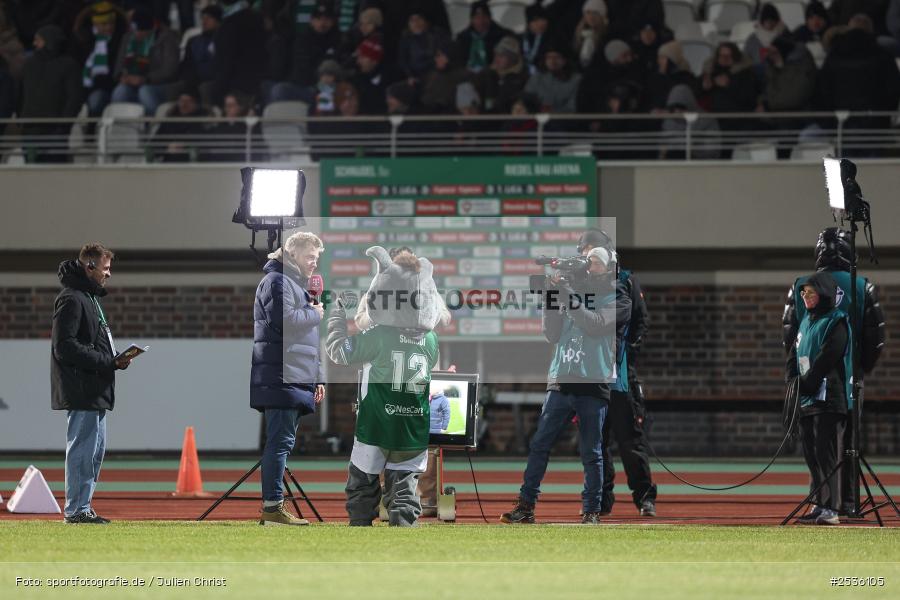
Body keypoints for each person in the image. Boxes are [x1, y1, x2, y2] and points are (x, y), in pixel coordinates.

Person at [501, 244, 630, 524]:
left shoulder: (618, 298)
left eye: (596, 262)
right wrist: (552, 295)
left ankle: (592, 510)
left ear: (610, 268)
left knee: (591, 451)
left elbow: (595, 323)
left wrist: (568, 294)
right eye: (588, 261)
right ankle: (526, 505)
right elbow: (551, 333)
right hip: (562, 378)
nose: (589, 266)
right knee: (540, 444)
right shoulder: (572, 291)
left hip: (593, 382)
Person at [326, 246, 450, 527]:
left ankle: (360, 535)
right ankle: (403, 536)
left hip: (377, 423)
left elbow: (339, 351)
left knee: (362, 485)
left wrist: (337, 315)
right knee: (405, 490)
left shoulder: (380, 334)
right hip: (413, 426)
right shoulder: (431, 340)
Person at [783, 227, 885, 516]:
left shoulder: (800, 285)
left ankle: (824, 501)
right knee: (846, 443)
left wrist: (799, 376)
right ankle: (846, 502)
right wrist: (859, 369)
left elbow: (789, 337)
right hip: (849, 378)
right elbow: (875, 338)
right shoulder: (861, 286)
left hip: (812, 381)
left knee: (818, 446)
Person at [576, 230, 657, 517]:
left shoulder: (626, 280)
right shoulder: (579, 281)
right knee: (595, 442)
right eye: (583, 250)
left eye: (592, 249)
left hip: (620, 379)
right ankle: (600, 500)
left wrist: (624, 356)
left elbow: (640, 322)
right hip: (590, 378)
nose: (586, 255)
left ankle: (644, 497)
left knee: (630, 440)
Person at [52, 243, 132, 524]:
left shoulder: (88, 297)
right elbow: (64, 347)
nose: (108, 274)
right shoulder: (72, 299)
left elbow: (88, 342)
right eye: (105, 269)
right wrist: (107, 361)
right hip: (82, 387)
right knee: (83, 451)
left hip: (94, 387)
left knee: (94, 453)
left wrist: (114, 359)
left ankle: (82, 507)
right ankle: (76, 511)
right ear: (89, 267)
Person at [251, 231, 326, 526]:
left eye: (316, 258)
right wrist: (316, 314)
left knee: (282, 441)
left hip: (293, 374)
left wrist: (317, 378)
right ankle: (272, 507)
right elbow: (285, 322)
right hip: (282, 374)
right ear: (293, 254)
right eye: (310, 257)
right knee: (280, 442)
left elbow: (307, 338)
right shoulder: (277, 282)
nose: (314, 263)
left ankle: (273, 505)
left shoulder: (291, 283)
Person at [786, 273, 851, 525]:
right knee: (811, 454)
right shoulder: (805, 321)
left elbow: (828, 356)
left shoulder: (837, 321)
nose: (805, 296)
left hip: (828, 399)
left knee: (826, 454)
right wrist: (792, 380)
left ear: (823, 294)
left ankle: (832, 509)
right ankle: (819, 503)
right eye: (803, 293)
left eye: (810, 292)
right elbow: (794, 353)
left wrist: (808, 382)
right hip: (807, 399)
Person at [19, 24, 82, 163]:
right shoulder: (28, 65)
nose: (34, 44)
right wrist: (21, 121)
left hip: (55, 131)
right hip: (30, 130)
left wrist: (64, 125)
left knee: (55, 172)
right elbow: (20, 95)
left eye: (38, 40)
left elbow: (74, 98)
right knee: (31, 172)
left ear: (49, 41)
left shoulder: (69, 66)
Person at [110, 8, 179, 115]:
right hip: (132, 82)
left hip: (159, 84)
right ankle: (121, 124)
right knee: (120, 92)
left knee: (145, 91)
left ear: (151, 28)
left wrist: (145, 79)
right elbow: (119, 65)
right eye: (135, 30)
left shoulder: (167, 37)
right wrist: (122, 77)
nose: (137, 34)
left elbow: (170, 70)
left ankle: (154, 123)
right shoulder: (128, 37)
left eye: (141, 31)